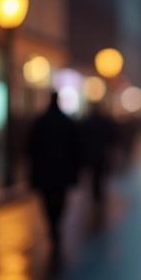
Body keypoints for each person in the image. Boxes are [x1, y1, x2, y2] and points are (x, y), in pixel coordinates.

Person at [26, 91, 81, 258]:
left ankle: (52, 224)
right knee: (60, 199)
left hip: (45, 170)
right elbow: (76, 148)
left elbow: (31, 147)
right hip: (62, 170)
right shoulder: (66, 122)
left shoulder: (40, 122)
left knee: (46, 199)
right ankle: (55, 224)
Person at [78, 101, 117, 208]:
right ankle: (97, 195)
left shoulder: (87, 122)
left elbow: (81, 138)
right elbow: (111, 137)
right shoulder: (104, 122)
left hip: (91, 154)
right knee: (98, 176)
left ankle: (95, 195)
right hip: (101, 154)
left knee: (93, 176)